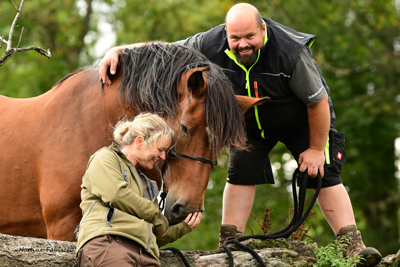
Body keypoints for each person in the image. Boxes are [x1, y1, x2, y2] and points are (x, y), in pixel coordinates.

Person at [98, 3, 381, 266]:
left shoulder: (291, 53)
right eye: (235, 38)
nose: (242, 44)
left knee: (324, 173)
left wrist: (317, 150)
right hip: (248, 120)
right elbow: (166, 49)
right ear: (226, 34)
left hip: (300, 120)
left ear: (263, 30)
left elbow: (316, 101)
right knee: (240, 173)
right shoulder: (209, 43)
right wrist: (122, 50)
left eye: (249, 37)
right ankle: (230, 242)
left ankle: (351, 244)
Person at [74, 113, 202, 267]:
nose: (162, 157)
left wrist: (183, 228)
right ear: (140, 142)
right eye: (160, 149)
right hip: (110, 245)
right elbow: (116, 195)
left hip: (147, 257)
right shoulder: (105, 158)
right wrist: (156, 216)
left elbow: (154, 234)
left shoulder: (149, 184)